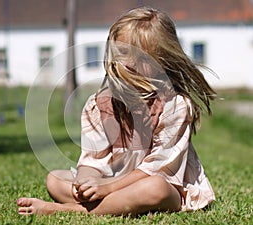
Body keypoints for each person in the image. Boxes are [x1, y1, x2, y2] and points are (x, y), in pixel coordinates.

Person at [17, 7, 216, 216]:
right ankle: (107, 203)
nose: (129, 63)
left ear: (163, 61)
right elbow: (93, 159)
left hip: (163, 187)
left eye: (142, 58)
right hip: (113, 181)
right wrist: (87, 179)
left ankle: (67, 211)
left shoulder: (174, 105)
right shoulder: (101, 105)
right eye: (123, 52)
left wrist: (109, 187)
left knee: (155, 188)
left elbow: (158, 168)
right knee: (55, 180)